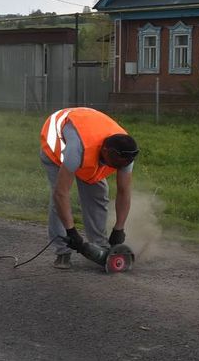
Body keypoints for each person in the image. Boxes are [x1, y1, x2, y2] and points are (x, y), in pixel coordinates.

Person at [40, 107, 139, 270]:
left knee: (98, 193)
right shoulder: (76, 149)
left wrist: (119, 228)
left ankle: (100, 246)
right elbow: (61, 194)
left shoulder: (126, 153)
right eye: (115, 164)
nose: (118, 168)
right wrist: (71, 232)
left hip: (88, 138)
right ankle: (62, 252)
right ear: (106, 152)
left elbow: (123, 191)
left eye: (122, 165)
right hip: (55, 150)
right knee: (59, 201)